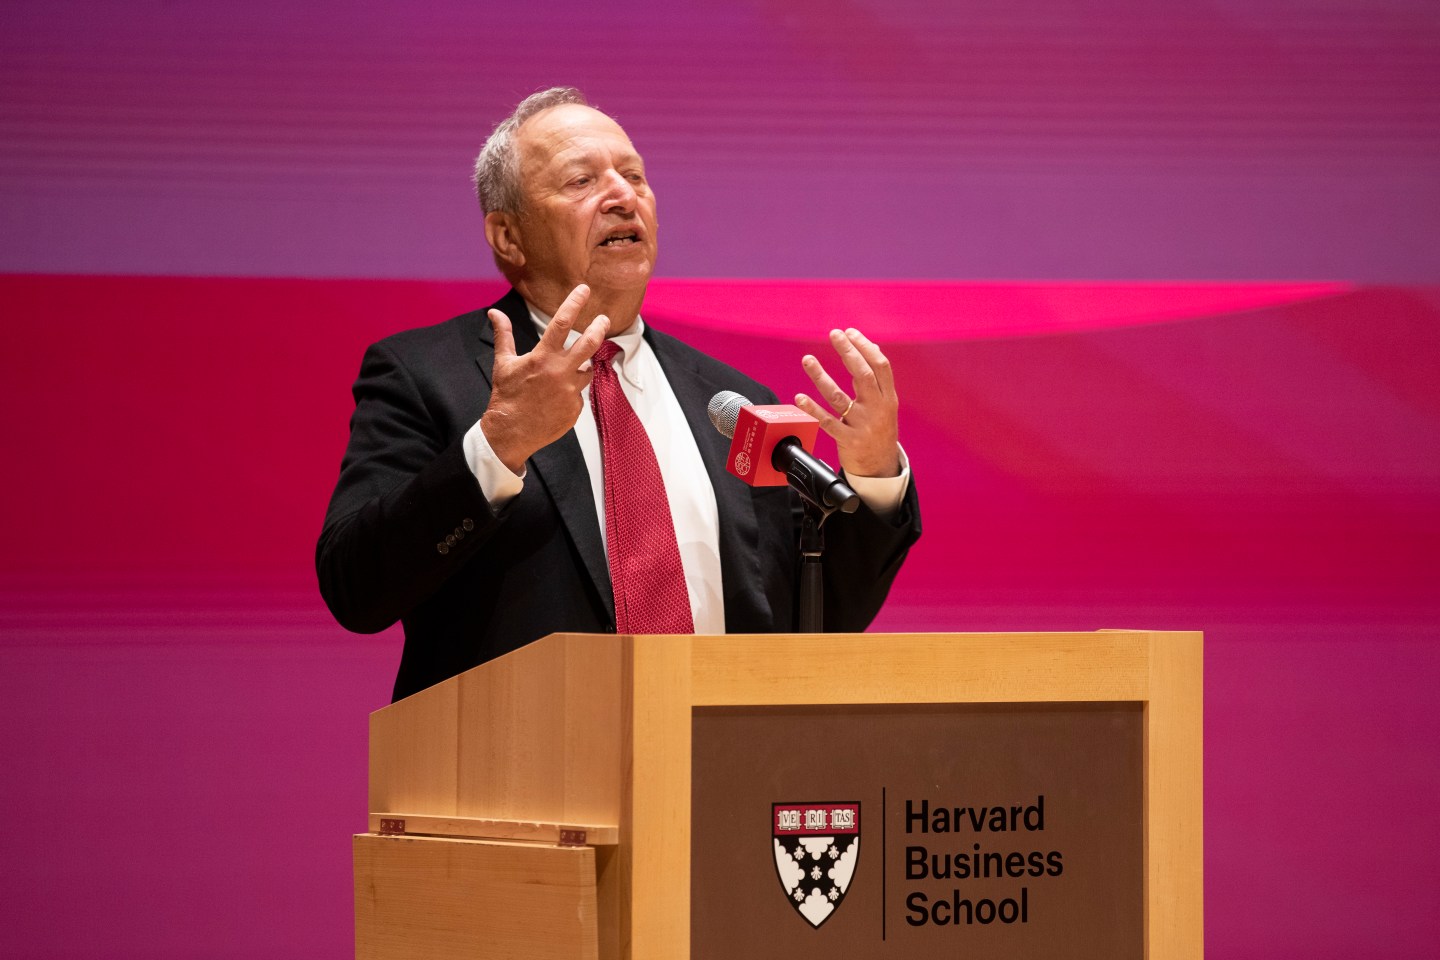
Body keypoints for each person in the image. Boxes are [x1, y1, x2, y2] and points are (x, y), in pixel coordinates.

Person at [317, 87, 921, 701]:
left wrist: (873, 474)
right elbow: (356, 588)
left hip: (720, 755)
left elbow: (818, 617)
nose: (623, 196)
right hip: (522, 753)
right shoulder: (426, 375)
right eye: (581, 181)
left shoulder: (730, 402)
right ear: (508, 236)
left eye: (634, 176)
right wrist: (498, 445)